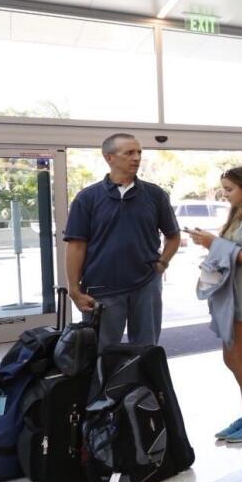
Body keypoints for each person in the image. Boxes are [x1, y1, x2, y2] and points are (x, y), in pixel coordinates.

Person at [185, 167, 242, 443]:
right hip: (235, 293)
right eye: (224, 189)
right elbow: (234, 251)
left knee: (235, 357)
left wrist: (214, 242)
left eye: (229, 189)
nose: (225, 195)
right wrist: (211, 243)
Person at [63, 132, 181, 347]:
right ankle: (103, 383)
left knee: (146, 350)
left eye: (139, 152)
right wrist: (74, 290)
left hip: (146, 286)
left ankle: (143, 383)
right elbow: (76, 246)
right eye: (129, 153)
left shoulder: (155, 195)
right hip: (101, 289)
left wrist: (163, 262)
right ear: (109, 158)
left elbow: (173, 236)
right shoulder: (87, 198)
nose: (136, 157)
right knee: (100, 352)